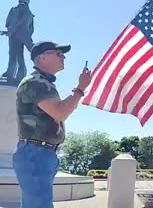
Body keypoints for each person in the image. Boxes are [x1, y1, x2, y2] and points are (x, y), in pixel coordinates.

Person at [12, 41, 92, 208]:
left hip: (40, 152)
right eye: (58, 53)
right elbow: (60, 112)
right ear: (42, 57)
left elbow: (59, 114)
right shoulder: (35, 82)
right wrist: (80, 88)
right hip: (35, 153)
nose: (63, 57)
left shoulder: (43, 83)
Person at [0, 0, 35, 81]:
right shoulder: (14, 10)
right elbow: (8, 22)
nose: (22, 1)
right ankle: (10, 72)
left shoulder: (29, 13)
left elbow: (31, 28)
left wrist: (26, 35)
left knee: (19, 55)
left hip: (21, 36)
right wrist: (9, 30)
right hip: (12, 35)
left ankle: (21, 74)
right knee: (12, 54)